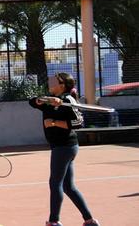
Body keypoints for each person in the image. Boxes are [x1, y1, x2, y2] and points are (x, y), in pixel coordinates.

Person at [29, 72, 100, 226]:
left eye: (54, 81)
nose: (50, 83)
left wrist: (54, 122)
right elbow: (32, 102)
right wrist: (46, 100)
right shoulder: (49, 100)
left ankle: (54, 221)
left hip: (65, 146)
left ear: (62, 85)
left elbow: (78, 123)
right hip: (61, 147)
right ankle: (89, 220)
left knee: (55, 184)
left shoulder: (68, 100)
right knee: (68, 187)